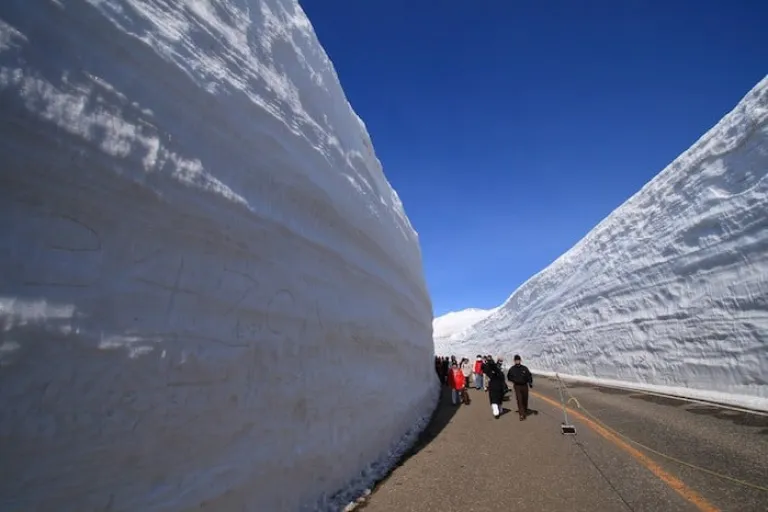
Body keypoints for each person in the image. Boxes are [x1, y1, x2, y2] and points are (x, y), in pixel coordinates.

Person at [507, 354, 533, 420]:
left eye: (518, 360)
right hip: (517, 386)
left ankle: (525, 409)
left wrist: (530, 382)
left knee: (525, 399)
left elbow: (529, 375)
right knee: (519, 399)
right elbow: (509, 376)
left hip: (524, 385)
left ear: (520, 360)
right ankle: (521, 414)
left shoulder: (524, 368)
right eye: (516, 360)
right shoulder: (512, 369)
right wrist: (513, 380)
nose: (517, 361)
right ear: (514, 361)